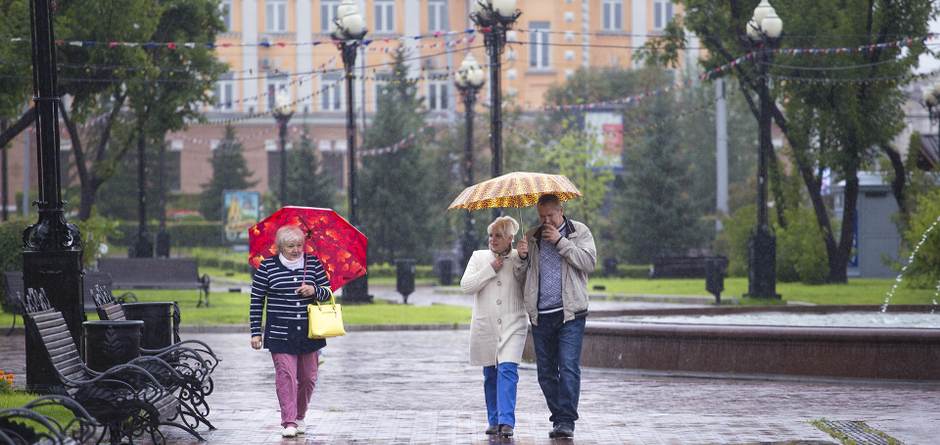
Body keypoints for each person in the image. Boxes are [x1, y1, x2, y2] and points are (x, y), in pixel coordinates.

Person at [514, 194, 596, 439]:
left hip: (570, 313)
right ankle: (559, 416)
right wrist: (521, 257)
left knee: (568, 367)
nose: (546, 221)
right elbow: (520, 277)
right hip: (541, 315)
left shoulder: (579, 232)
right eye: (541, 216)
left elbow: (589, 262)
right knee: (546, 373)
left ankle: (566, 421)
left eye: (550, 215)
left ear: (561, 210)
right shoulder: (531, 236)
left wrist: (560, 241)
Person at [250, 225, 333, 438]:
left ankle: (300, 416)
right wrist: (255, 332)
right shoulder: (267, 266)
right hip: (279, 333)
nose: (296, 250)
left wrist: (315, 290)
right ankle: (288, 421)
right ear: (280, 247)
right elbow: (257, 301)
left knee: (308, 378)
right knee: (285, 376)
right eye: (290, 246)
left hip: (309, 332)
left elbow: (328, 293)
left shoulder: (313, 263)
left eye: (299, 245)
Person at [460, 216, 527, 438]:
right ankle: (494, 419)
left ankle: (507, 421)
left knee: (508, 370)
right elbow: (466, 286)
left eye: (498, 235)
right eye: (491, 235)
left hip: (513, 323)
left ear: (510, 238)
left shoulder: (520, 256)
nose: (493, 239)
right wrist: (490, 269)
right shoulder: (479, 257)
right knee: (490, 374)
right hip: (486, 325)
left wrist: (525, 257)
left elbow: (529, 282)